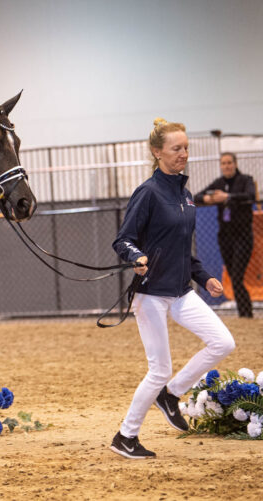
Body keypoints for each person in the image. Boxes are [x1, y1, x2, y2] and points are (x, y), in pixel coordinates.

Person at [109, 118, 235, 459]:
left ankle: (171, 394)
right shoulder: (148, 193)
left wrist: (203, 276)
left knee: (223, 341)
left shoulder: (186, 195)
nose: (183, 154)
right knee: (159, 369)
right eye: (176, 148)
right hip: (150, 293)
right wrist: (136, 256)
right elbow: (123, 240)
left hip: (181, 291)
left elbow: (182, 248)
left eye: (186, 148)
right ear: (157, 152)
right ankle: (126, 436)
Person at [194, 152, 256, 318]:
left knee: (236, 276)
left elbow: (250, 196)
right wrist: (208, 198)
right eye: (223, 163)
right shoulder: (218, 183)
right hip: (225, 237)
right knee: (233, 275)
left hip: (243, 236)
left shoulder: (245, 180)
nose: (226, 166)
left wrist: (227, 197)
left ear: (235, 164)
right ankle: (244, 313)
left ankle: (246, 314)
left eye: (229, 162)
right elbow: (197, 197)